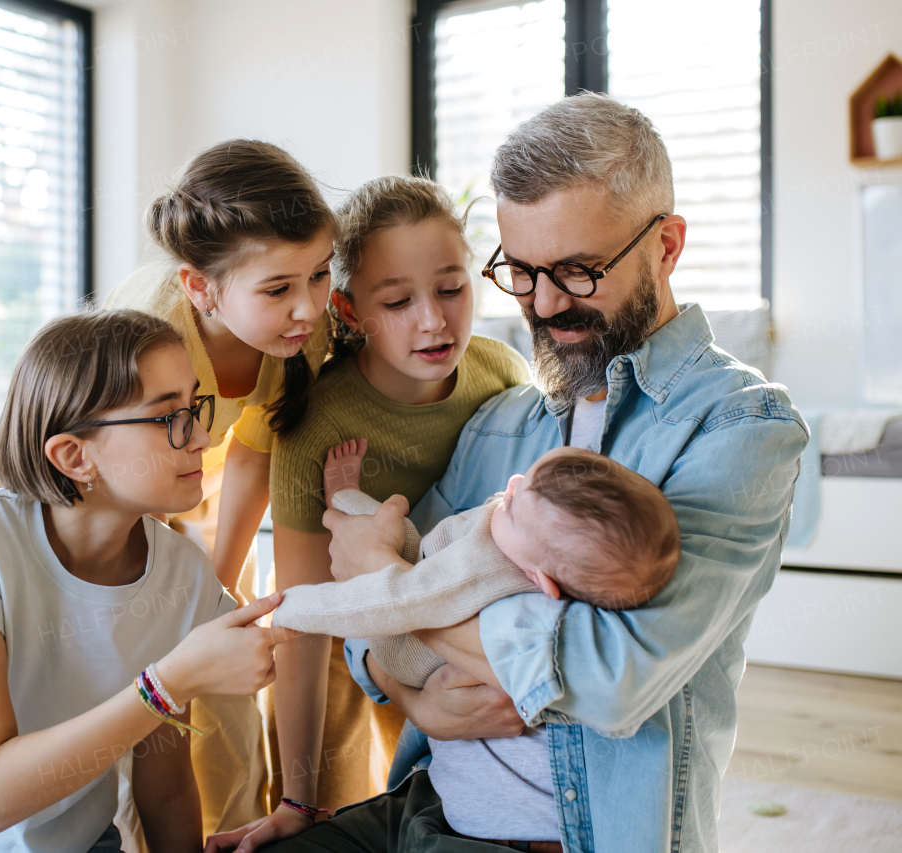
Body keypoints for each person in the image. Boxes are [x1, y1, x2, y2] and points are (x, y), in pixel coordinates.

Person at [265, 93, 808, 853]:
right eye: (521, 272)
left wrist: (395, 588)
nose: (545, 303)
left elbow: (609, 676)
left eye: (579, 272)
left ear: (668, 245)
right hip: (421, 800)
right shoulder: (501, 415)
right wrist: (418, 701)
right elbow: (364, 647)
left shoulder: (739, 427)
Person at [0, 309, 299, 853]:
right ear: (75, 456)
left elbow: (165, 788)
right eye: (168, 416)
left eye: (194, 407)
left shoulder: (183, 575)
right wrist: (169, 683)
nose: (201, 437)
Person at [212, 176, 530, 851]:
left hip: (453, 615)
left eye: (451, 289)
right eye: (398, 301)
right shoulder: (317, 421)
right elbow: (303, 617)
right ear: (351, 313)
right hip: (346, 624)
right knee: (333, 795)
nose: (433, 321)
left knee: (431, 790)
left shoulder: (502, 373)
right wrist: (295, 798)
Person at [105, 139, 336, 837]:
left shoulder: (301, 341)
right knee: (140, 685)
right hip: (110, 495)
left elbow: (251, 459)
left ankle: (233, 825)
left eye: (320, 276)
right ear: (201, 288)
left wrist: (218, 586)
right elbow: (108, 497)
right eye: (278, 289)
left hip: (186, 477)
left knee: (225, 659)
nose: (307, 308)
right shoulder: (151, 341)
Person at [272, 443, 681, 692]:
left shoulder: (483, 568)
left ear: (540, 580)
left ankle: (341, 497)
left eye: (516, 505)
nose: (513, 484)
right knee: (394, 533)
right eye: (529, 478)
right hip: (430, 564)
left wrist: (288, 608)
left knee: (378, 522)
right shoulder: (529, 541)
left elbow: (395, 599)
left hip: (404, 644)